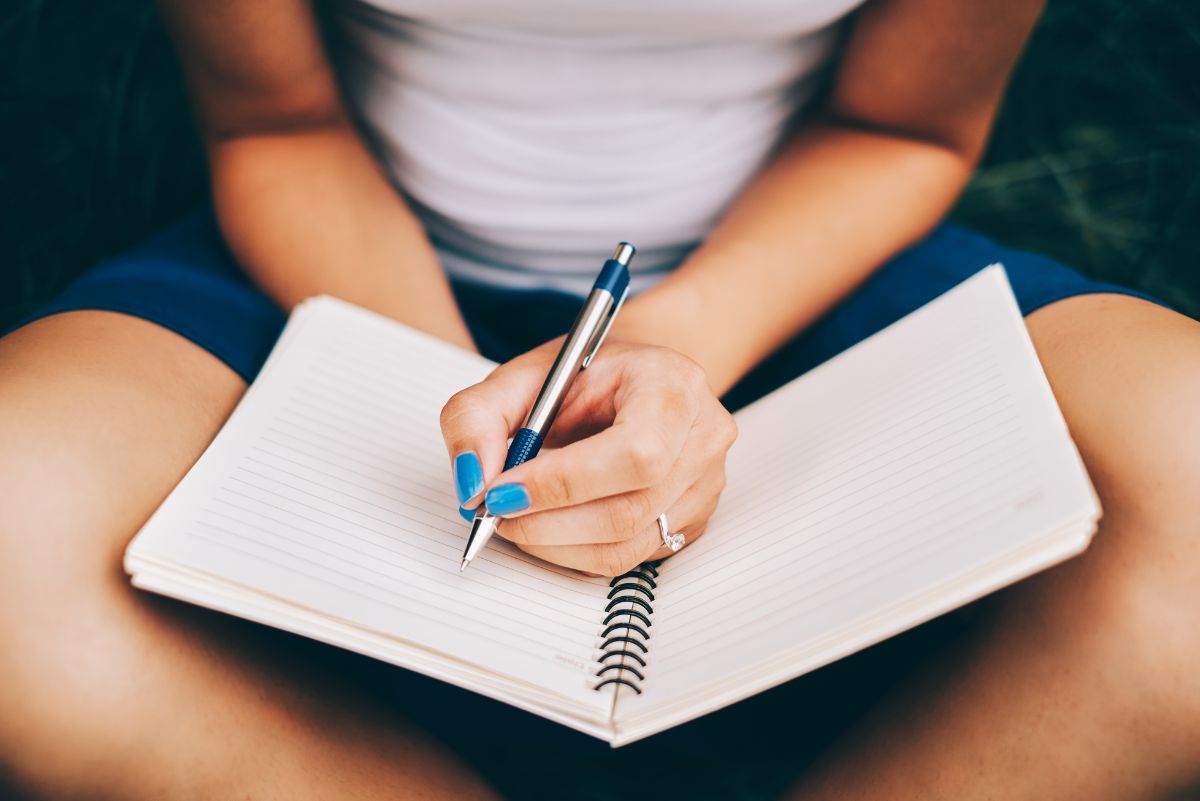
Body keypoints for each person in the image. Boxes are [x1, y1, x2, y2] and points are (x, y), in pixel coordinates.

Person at [2, 0, 1198, 798]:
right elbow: (277, 125)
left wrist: (674, 347)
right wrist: (451, 389)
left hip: (807, 267)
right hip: (331, 259)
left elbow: (902, 126)